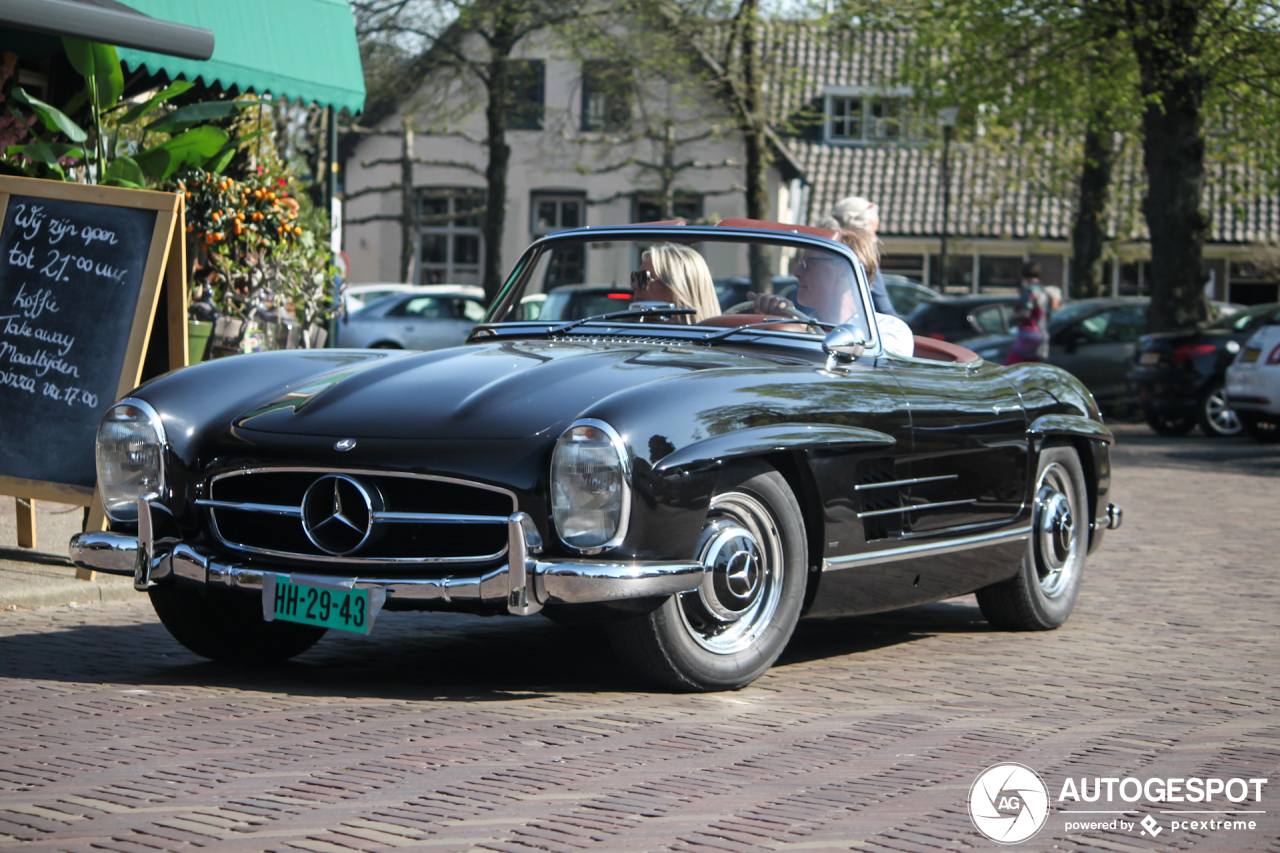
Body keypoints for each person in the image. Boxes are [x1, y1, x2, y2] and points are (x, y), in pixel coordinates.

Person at [746, 229, 915, 358]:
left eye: (808, 263)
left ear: (844, 272)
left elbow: (866, 371)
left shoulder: (890, 331)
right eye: (800, 263)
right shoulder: (802, 325)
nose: (796, 272)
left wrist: (796, 330)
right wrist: (776, 326)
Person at [820, 196, 899, 318]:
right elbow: (884, 308)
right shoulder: (858, 259)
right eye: (873, 232)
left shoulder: (819, 250)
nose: (875, 239)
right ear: (860, 230)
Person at [630, 243, 720, 323]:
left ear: (678, 287)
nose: (634, 286)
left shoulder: (714, 338)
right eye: (636, 277)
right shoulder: (625, 332)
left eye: (644, 278)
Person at [1006, 262, 1051, 364]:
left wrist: (1013, 317)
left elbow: (1027, 312)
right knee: (1034, 370)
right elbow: (1048, 316)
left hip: (1028, 335)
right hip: (1042, 335)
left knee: (1010, 366)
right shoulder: (1044, 291)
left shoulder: (1028, 289)